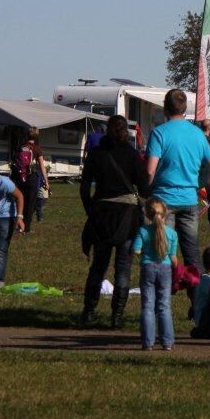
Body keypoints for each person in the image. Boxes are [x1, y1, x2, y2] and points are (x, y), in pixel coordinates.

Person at [79, 115, 149, 327]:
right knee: (123, 268)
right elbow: (144, 188)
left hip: (102, 214)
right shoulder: (132, 155)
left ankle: (89, 311)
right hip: (127, 217)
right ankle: (116, 317)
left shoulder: (96, 154)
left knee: (98, 266)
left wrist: (90, 210)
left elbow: (84, 188)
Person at [146, 89, 210, 268]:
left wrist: (147, 190)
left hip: (164, 199)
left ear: (165, 109)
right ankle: (197, 292)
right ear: (185, 109)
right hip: (189, 198)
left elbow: (150, 171)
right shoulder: (197, 134)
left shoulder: (159, 133)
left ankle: (164, 290)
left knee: (162, 251)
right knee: (192, 254)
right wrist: (198, 184)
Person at [133, 197, 179, 351]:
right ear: (165, 214)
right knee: (164, 306)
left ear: (147, 214)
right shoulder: (172, 233)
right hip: (165, 269)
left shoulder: (143, 231)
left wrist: (143, 252)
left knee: (147, 306)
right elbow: (173, 257)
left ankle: (148, 342)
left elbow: (136, 250)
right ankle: (167, 342)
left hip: (147, 268)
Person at [11, 127, 48, 234]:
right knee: (30, 203)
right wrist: (46, 181)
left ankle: (17, 224)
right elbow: (42, 167)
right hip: (32, 178)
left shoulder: (20, 147)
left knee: (19, 200)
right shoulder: (37, 149)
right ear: (37, 137)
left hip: (20, 178)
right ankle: (26, 228)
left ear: (26, 135)